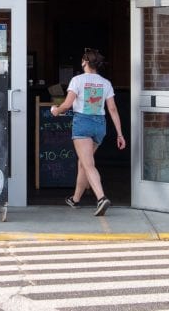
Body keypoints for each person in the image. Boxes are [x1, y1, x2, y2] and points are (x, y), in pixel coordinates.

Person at [50, 48, 125, 216]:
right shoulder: (105, 83)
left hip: (83, 123)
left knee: (88, 164)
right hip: (99, 125)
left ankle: (101, 198)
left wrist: (56, 110)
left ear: (84, 62)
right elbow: (112, 109)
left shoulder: (77, 80)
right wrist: (120, 134)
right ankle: (75, 199)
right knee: (84, 162)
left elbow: (68, 104)